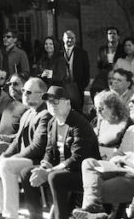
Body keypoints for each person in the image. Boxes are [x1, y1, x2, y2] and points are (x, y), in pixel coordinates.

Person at [72, 90, 134, 219]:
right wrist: (119, 158)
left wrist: (124, 158)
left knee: (94, 188)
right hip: (120, 169)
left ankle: (95, 210)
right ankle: (94, 207)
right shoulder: (132, 129)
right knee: (88, 162)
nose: (129, 105)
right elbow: (117, 154)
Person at [0, 76, 51, 219]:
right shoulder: (28, 112)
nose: (24, 94)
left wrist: (12, 158)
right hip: (22, 159)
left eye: (29, 92)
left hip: (37, 162)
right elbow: (17, 140)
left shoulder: (45, 115)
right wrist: (4, 156)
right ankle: (1, 210)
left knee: (6, 165)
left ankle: (11, 215)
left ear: (41, 95)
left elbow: (37, 147)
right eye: (23, 91)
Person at [21, 86, 101, 219]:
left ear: (67, 103)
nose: (52, 105)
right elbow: (49, 150)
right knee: (27, 173)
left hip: (82, 172)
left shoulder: (79, 124)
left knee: (55, 177)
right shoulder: (52, 122)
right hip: (59, 169)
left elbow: (77, 158)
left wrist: (49, 172)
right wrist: (43, 167)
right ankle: (35, 216)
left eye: (56, 101)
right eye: (49, 102)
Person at [61, 30, 92, 112]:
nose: (70, 40)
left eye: (72, 38)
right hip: (62, 86)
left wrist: (82, 85)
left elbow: (86, 70)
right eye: (68, 38)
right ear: (63, 39)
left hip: (77, 86)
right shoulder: (59, 52)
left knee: (78, 110)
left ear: (75, 39)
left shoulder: (82, 53)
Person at [90, 27, 125, 96]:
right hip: (105, 77)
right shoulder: (102, 49)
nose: (112, 35)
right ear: (107, 36)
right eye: (110, 33)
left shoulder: (123, 48)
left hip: (119, 76)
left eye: (114, 33)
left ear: (118, 36)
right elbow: (99, 64)